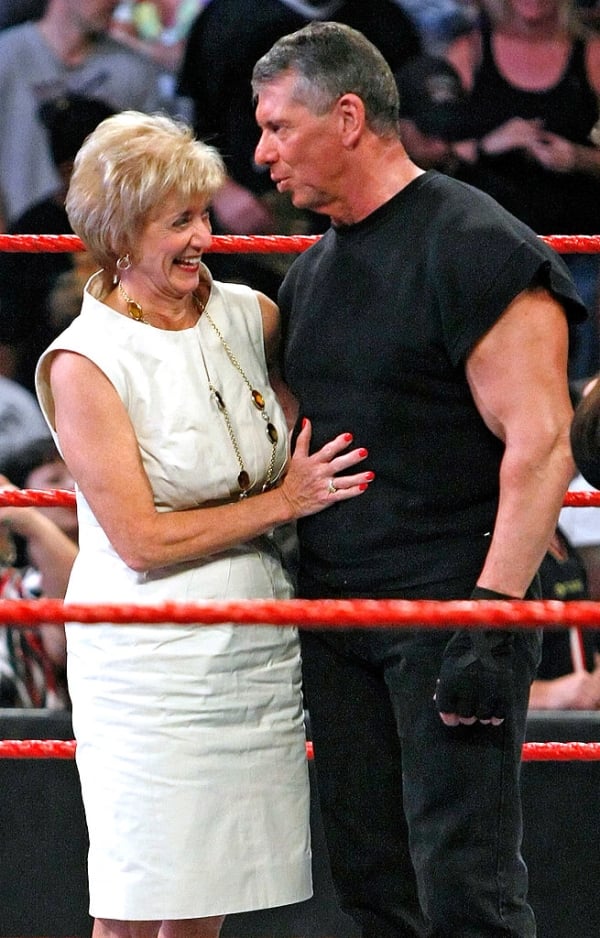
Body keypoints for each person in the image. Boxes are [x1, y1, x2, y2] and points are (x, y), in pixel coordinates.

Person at [252, 21, 585, 937]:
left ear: (349, 117)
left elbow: (544, 442)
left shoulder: (478, 246)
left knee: (465, 885)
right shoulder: (311, 275)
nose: (261, 153)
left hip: (449, 609)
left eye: (279, 127)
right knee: (371, 883)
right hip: (338, 618)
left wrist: (490, 617)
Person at [34, 109, 373, 938]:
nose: (202, 238)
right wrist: (284, 502)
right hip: (150, 657)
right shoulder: (85, 362)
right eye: (177, 221)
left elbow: (299, 426)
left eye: (204, 214)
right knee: (133, 901)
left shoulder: (249, 314)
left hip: (254, 644)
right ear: (118, 235)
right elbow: (140, 539)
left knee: (206, 900)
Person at [177, 0, 422, 297]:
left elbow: (409, 130)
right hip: (242, 230)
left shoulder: (386, 22)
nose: (265, 151)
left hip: (359, 233)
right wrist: (221, 190)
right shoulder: (227, 17)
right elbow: (188, 122)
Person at [445, 0, 600, 381]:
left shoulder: (592, 53)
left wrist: (577, 157)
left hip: (576, 245)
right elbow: (429, 149)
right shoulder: (470, 51)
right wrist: (490, 144)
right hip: (489, 246)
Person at [0, 0, 163, 231]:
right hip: (19, 245)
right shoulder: (6, 59)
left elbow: (156, 171)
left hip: (108, 242)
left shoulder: (134, 70)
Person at [0, 93, 115, 392]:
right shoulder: (31, 232)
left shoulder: (144, 218)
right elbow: (8, 333)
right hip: (51, 387)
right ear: (69, 170)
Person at [0, 466, 76, 709]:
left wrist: (30, 521)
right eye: (55, 478)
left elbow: (67, 640)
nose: (72, 485)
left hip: (54, 730)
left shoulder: (115, 571)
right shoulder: (17, 585)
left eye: (77, 474)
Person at [531, 525, 600, 709]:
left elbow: (584, 630)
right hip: (534, 722)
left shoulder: (557, 536)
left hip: (577, 714)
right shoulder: (498, 541)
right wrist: (547, 693)